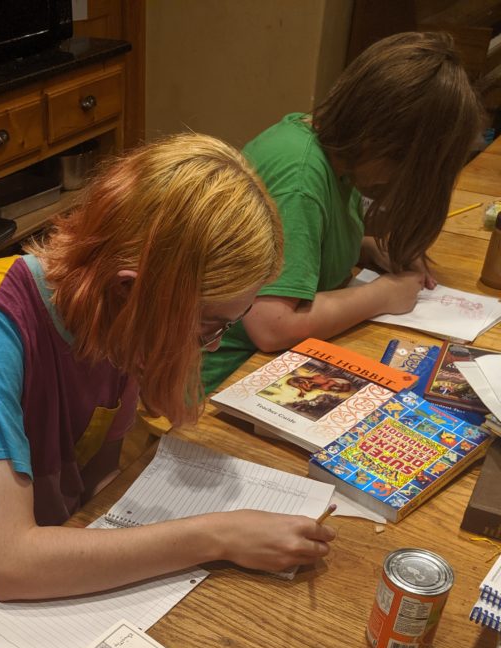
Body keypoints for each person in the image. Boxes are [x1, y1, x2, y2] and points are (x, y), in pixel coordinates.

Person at [0, 134, 336, 627]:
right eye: (211, 326)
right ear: (131, 290)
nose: (211, 346)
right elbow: (11, 563)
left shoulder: (117, 318)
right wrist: (217, 535)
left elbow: (104, 479)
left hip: (66, 529)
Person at [201, 31, 486, 394]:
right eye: (405, 169)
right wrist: (382, 296)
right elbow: (270, 325)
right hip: (224, 377)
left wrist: (367, 247)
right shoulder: (302, 178)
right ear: (383, 140)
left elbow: (301, 247)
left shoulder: (332, 150)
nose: (397, 183)